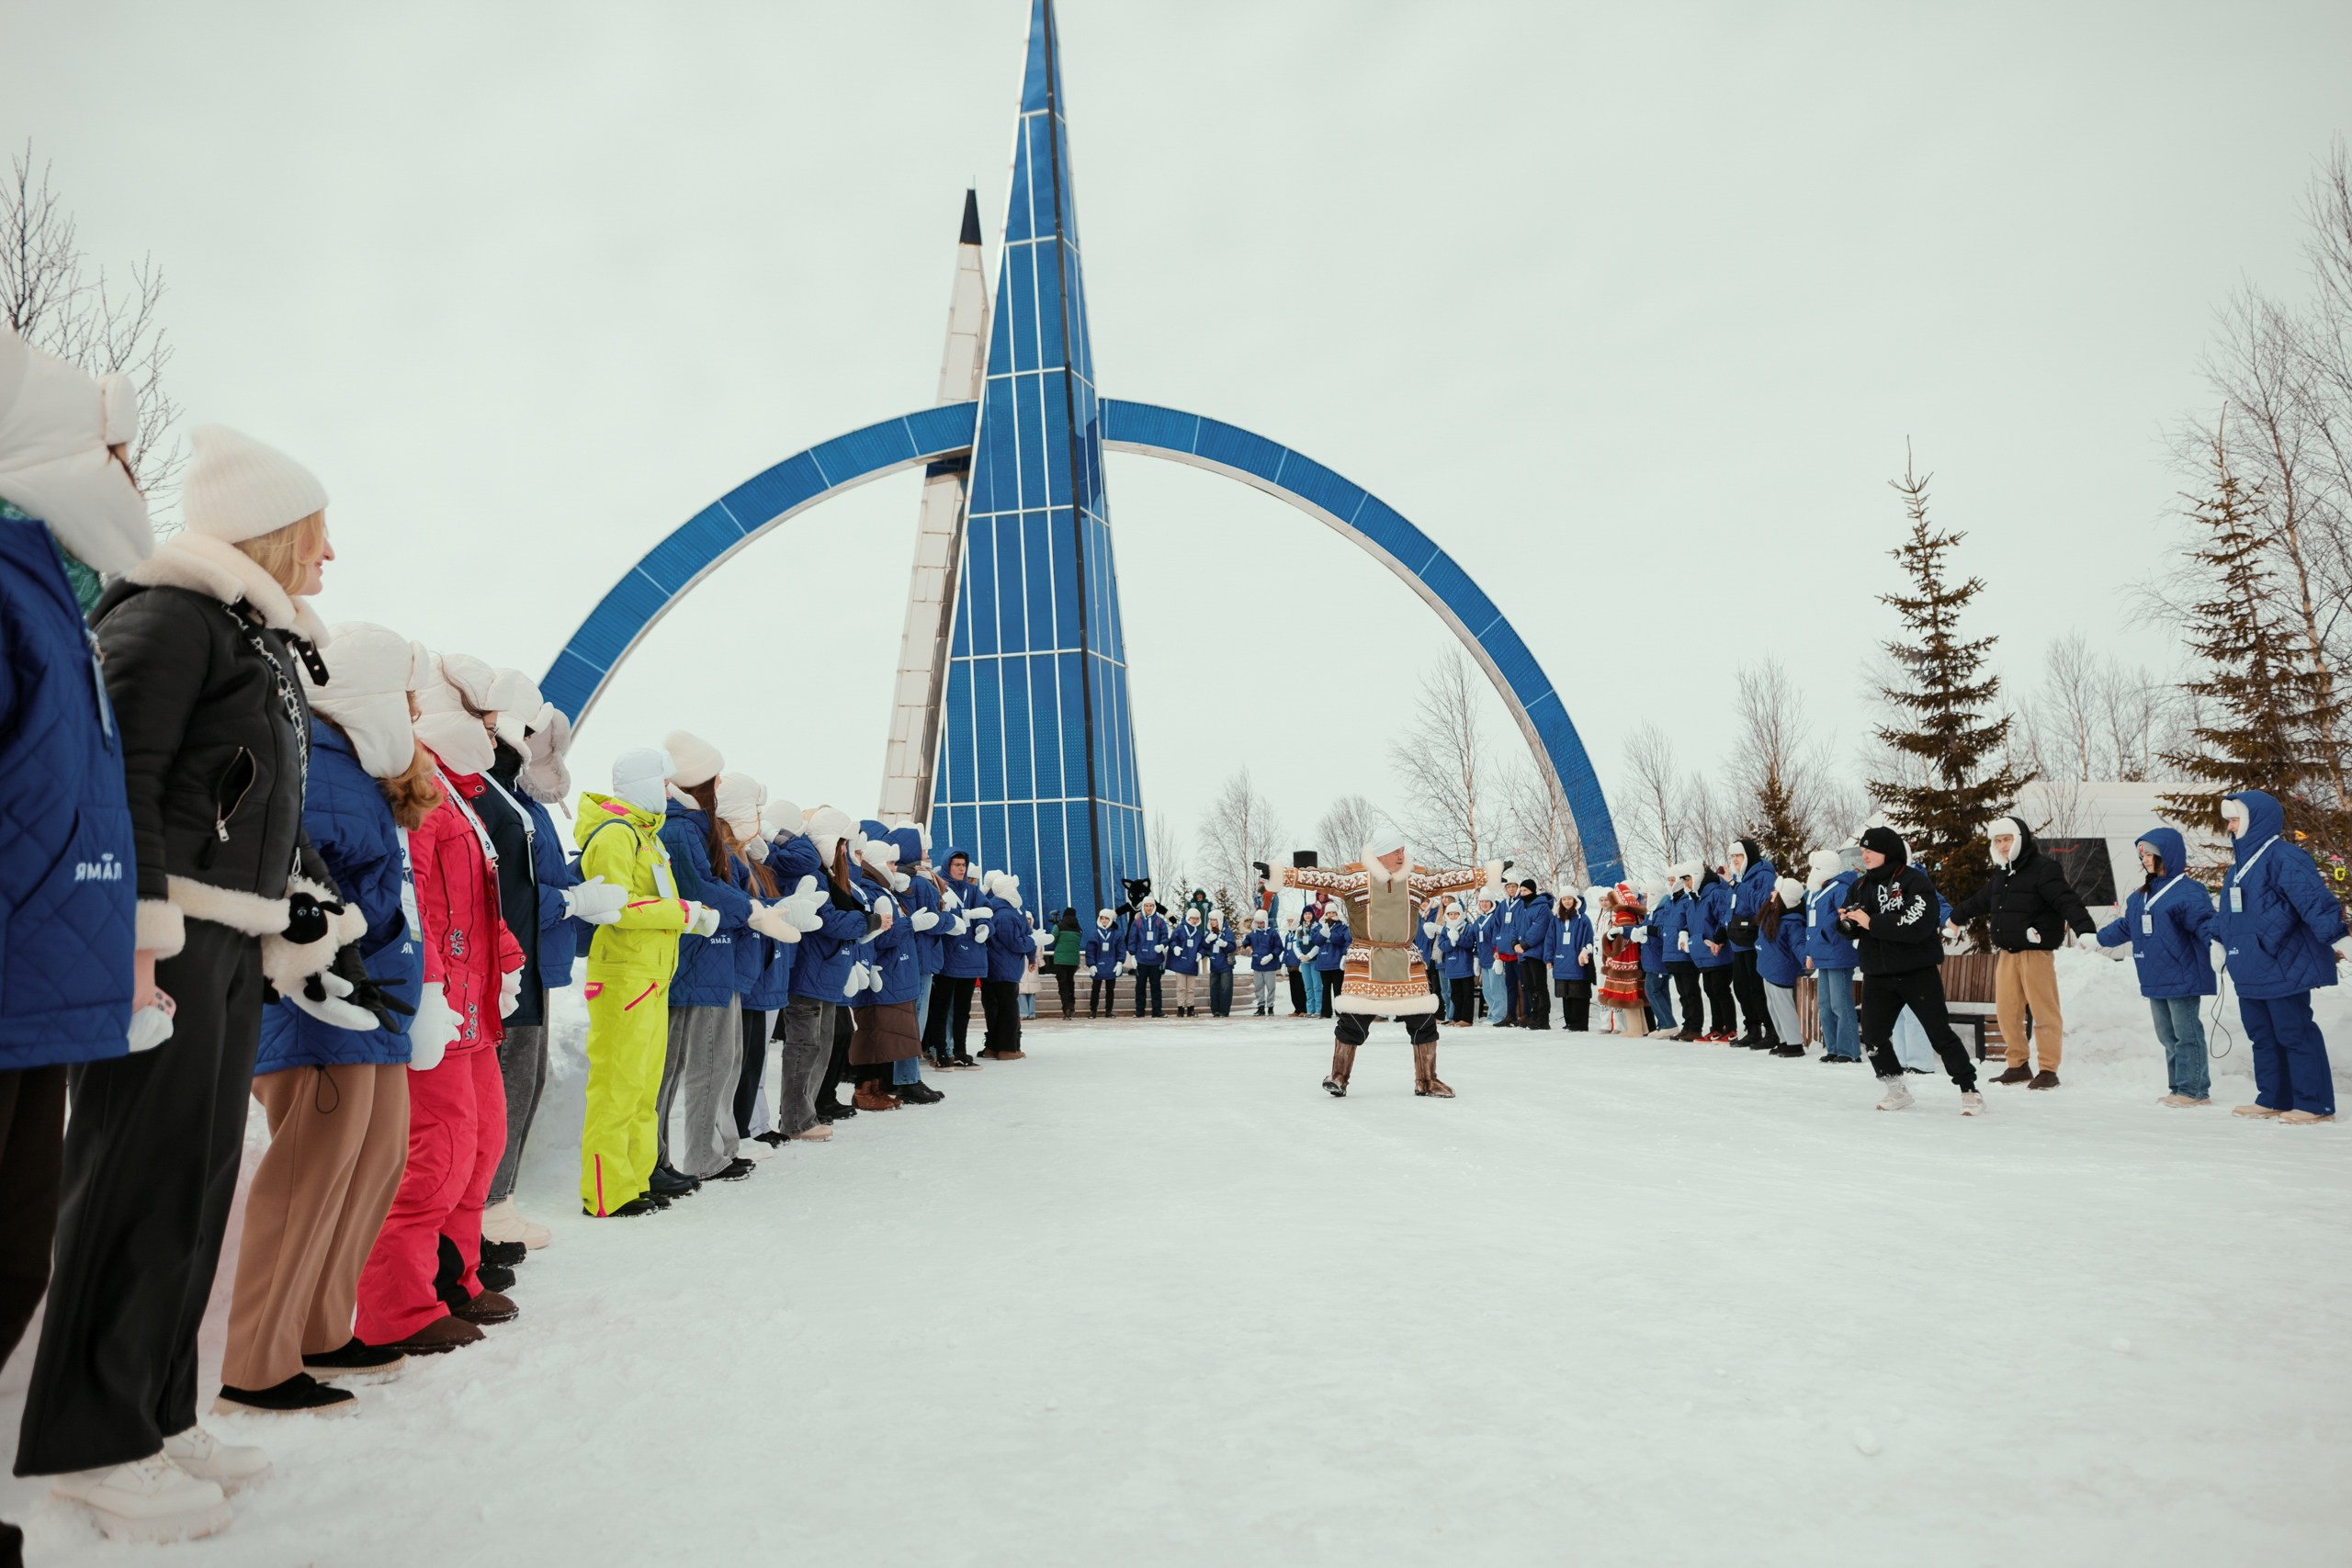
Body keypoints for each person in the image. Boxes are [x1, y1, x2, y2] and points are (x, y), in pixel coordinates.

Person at [19, 426, 371, 1526]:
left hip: (230, 935)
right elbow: (119, 769)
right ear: (274, 530)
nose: (330, 558)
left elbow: (252, 793)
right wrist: (139, 929)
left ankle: (161, 1413)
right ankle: (94, 1435)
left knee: (196, 1184)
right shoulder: (169, 615)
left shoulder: (250, 637)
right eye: (318, 535)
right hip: (166, 939)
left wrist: (296, 893)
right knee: (136, 1180)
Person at [0, 332, 190, 1544]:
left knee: (14, 1263)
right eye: (118, 448)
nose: (135, 472)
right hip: (13, 991)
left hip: (38, 998)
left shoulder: (51, 599)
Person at [218, 626, 445, 1419]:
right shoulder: (317, 766)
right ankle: (256, 1358)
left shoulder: (350, 771)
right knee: (307, 1174)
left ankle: (319, 1324)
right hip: (319, 1006)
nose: (415, 716)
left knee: (371, 1162)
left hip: (370, 1003)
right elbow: (293, 876)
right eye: (406, 699)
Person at [354, 655, 526, 1352]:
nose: (495, 734)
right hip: (441, 1004)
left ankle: (454, 1274)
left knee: (480, 1143)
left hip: (472, 1003)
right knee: (438, 1154)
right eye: (487, 720)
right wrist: (425, 987)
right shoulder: (421, 788)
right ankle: (398, 1304)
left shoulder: (455, 791)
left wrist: (505, 957)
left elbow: (483, 898)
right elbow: (412, 896)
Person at [487, 695, 604, 1246]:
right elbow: (516, 896)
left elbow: (542, 880)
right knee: (507, 1085)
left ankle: (499, 1201)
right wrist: (572, 903)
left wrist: (576, 899)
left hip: (535, 960)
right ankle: (489, 1208)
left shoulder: (526, 805)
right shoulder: (501, 801)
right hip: (512, 963)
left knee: (524, 1082)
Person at [572, 748, 699, 1217]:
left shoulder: (646, 837)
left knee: (644, 1087)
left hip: (649, 973)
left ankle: (637, 1176)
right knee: (617, 1085)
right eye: (663, 783)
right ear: (644, 784)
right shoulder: (615, 835)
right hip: (624, 975)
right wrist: (685, 913)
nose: (668, 792)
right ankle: (607, 1193)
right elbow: (617, 906)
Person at [1263, 842, 1487, 1096]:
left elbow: (1447, 878)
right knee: (1353, 1021)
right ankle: (1338, 1077)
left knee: (1423, 1020)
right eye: (1396, 852)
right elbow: (1321, 877)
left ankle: (1427, 1081)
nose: (1402, 856)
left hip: (1405, 958)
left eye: (1403, 851)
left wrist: (1487, 875)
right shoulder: (1355, 877)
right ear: (1380, 853)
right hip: (1366, 956)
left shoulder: (1416, 878)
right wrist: (1282, 874)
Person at [652, 733, 759, 1189]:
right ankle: (696, 1155)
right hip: (697, 960)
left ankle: (703, 1153)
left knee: (716, 1063)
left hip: (713, 959)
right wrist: (754, 911)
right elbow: (700, 890)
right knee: (701, 1065)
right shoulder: (680, 829)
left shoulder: (693, 826)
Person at [2201, 790, 2343, 1123]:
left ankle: (2314, 1103)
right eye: (2230, 821)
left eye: (2236, 820)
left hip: (2283, 963)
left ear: (2255, 820)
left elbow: (2314, 901)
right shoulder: (2236, 870)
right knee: (2262, 1036)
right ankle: (2273, 1097)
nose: (2231, 827)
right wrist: (2218, 940)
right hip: (2249, 966)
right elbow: (2229, 915)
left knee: (2294, 1032)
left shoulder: (2285, 857)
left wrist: (2338, 936)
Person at [1838, 827, 1983, 1114]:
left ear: (1888, 852)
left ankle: (1969, 1089)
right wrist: (1846, 922)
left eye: (1871, 850)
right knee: (1875, 1037)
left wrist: (1871, 923)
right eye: (1863, 850)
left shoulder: (1915, 881)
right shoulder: (1860, 885)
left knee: (1939, 1033)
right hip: (1877, 974)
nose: (1864, 855)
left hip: (1917, 972)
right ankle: (1896, 1088)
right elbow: (1849, 924)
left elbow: (1917, 925)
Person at [1945, 817, 2097, 1089]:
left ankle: (2048, 1069)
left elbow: (2066, 900)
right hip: (2008, 953)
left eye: (2008, 839)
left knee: (2044, 1011)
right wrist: (1955, 918)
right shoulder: (2003, 873)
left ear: (2021, 839)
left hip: (2035, 953)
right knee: (2007, 1012)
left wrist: (2084, 929)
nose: (2003, 846)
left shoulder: (2043, 869)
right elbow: (1980, 900)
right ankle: (2018, 1064)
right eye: (1998, 841)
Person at [776, 808, 888, 1130]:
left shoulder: (828, 876)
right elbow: (828, 919)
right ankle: (797, 1118)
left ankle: (807, 1112)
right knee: (804, 1049)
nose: (844, 852)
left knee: (819, 1048)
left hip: (825, 973)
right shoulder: (811, 875)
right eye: (841, 844)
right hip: (810, 972)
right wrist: (867, 921)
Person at [2093, 827, 2216, 1107]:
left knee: (2187, 1035)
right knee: (2167, 1036)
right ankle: (2178, 1088)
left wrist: (2217, 944)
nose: (2145, 859)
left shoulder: (2189, 891)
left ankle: (2194, 1090)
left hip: (2183, 974)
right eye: (2142, 855)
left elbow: (2205, 922)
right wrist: (2097, 939)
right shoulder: (2140, 897)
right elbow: (2127, 926)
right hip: (2155, 975)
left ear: (2166, 854)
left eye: (2149, 853)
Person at [848, 825, 924, 1108]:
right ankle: (864, 1090)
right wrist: (911, 924)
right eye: (891, 862)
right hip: (884, 975)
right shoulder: (873, 890)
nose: (895, 867)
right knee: (875, 1035)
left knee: (887, 1037)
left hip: (894, 974)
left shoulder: (884, 890)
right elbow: (883, 934)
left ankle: (876, 1087)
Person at [922, 847, 987, 1068]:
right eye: (956, 865)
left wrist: (985, 927)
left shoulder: (973, 891)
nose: (961, 869)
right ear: (947, 866)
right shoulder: (941, 888)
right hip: (948, 956)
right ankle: (940, 1050)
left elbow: (986, 911)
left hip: (971, 958)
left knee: (963, 1009)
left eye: (963, 865)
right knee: (941, 1007)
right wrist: (962, 916)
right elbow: (938, 914)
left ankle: (960, 1050)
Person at [1804, 849, 1862, 1064]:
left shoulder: (1840, 889)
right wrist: (1810, 951)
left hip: (1838, 952)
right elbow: (1811, 925)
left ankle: (1849, 1051)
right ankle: (1833, 1047)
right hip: (1822, 953)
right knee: (1825, 1004)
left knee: (1840, 1003)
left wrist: (1828, 933)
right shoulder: (1814, 892)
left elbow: (1845, 916)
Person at [1723, 839, 1778, 1045]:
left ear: (1749, 855)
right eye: (1733, 856)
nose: (1735, 860)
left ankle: (1771, 1030)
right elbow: (1730, 907)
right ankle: (1753, 1028)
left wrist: (1736, 885)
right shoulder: (1737, 877)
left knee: (1757, 988)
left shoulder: (1763, 874)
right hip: (1738, 941)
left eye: (1739, 856)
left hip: (1755, 939)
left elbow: (1762, 903)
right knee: (1741, 988)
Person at [978, 872, 1034, 1057]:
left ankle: (993, 1046)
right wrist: (1032, 942)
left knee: (995, 1009)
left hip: (994, 968)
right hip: (1005, 968)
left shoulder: (996, 910)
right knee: (1008, 1009)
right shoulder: (1006, 915)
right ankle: (1008, 1048)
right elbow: (1015, 942)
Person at [1686, 863, 1738, 1042]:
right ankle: (1717, 1027)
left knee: (1720, 988)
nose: (1686, 883)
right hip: (1703, 953)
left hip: (1718, 950)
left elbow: (1724, 917)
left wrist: (1719, 939)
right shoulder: (1695, 898)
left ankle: (1730, 1027)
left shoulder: (1715, 893)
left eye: (1688, 879)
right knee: (1710, 989)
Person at [1758, 877, 1808, 1057]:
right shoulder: (1771, 915)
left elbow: (1799, 943)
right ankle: (1783, 1039)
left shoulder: (1793, 922)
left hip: (1781, 970)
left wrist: (1805, 958)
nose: (1772, 893)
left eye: (1776, 892)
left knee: (1783, 1006)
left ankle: (1794, 1043)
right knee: (1773, 1006)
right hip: (1769, 968)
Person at [1594, 886, 1649, 1036]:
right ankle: (1642, 1027)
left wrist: (1610, 943)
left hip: (1624, 959)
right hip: (1634, 958)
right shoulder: (1635, 913)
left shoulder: (1623, 914)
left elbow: (1622, 940)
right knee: (1634, 992)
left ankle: (1634, 1029)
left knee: (1627, 993)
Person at [1657, 866, 1701, 1040]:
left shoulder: (1687, 898)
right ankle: (1687, 1025)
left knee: (1691, 992)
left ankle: (1695, 1027)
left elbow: (1688, 922)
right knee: (1683, 994)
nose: (1671, 883)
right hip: (1671, 953)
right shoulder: (1669, 901)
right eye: (1669, 880)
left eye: (1673, 879)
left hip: (1684, 953)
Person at [1510, 879, 1555, 1030]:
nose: (1522, 894)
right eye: (1521, 891)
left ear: (1532, 891)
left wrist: (1525, 944)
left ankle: (1543, 1018)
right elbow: (1514, 927)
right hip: (1522, 953)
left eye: (1525, 891)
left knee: (1539, 985)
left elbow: (1539, 928)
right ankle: (1534, 1015)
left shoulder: (1542, 907)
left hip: (1536, 952)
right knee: (1528, 985)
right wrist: (1514, 943)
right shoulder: (1520, 908)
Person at [1634, 881, 1676, 1035]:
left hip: (1657, 959)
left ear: (1654, 896)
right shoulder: (1652, 912)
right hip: (1652, 960)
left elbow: (1660, 934)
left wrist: (1646, 938)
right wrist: (1625, 931)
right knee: (1661, 991)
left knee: (1652, 990)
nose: (1644, 899)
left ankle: (1668, 1023)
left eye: (1646, 896)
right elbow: (1642, 928)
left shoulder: (1662, 912)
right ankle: (1664, 1025)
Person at [1551, 890, 1593, 1032]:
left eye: (1569, 899)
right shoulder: (1556, 919)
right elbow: (1550, 939)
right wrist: (1548, 958)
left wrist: (1584, 952)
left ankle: (1579, 1024)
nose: (1567, 902)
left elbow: (1588, 938)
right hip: (1561, 960)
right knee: (1565, 992)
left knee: (1578, 992)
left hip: (1577, 960)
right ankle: (1569, 1022)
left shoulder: (1583, 919)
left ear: (1575, 900)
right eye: (1564, 899)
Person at [1436, 900, 1478, 1027]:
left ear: (1460, 914)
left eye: (1456, 914)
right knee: (1455, 994)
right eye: (1451, 914)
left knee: (1467, 994)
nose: (1453, 916)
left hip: (1465, 965)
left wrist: (1458, 938)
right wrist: (1451, 943)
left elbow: (1470, 943)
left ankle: (1466, 1018)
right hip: (1451, 966)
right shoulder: (1445, 929)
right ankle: (1456, 1017)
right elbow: (1442, 945)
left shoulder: (1467, 928)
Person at [1127, 897, 1170, 1019]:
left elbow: (1165, 935)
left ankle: (1157, 1011)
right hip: (1141, 959)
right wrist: (1133, 955)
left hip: (1156, 960)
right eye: (1147, 906)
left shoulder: (1160, 921)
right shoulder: (1138, 921)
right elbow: (1132, 939)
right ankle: (1139, 1011)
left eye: (1151, 905)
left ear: (1154, 907)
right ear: (1143, 907)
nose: (1149, 908)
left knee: (1156, 986)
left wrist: (1162, 945)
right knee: (1140, 986)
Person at [1474, 892, 1508, 1024]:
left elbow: (1498, 937)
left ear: (1492, 903)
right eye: (1482, 901)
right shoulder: (1479, 920)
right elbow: (1474, 939)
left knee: (1497, 989)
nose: (1484, 904)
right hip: (1484, 959)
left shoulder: (1495, 918)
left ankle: (1499, 1016)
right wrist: (1476, 957)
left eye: (1487, 901)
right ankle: (1492, 1015)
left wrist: (1499, 955)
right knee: (1487, 990)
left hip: (1494, 958)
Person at [1166, 906, 1206, 1017]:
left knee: (1191, 988)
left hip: (1192, 964)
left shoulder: (1198, 934)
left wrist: (1200, 954)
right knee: (1181, 988)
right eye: (1193, 918)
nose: (1195, 920)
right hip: (1180, 963)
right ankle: (1180, 1008)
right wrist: (1175, 948)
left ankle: (1190, 1008)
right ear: (1188, 917)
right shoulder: (1180, 929)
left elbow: (1202, 947)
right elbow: (1172, 941)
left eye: (1197, 918)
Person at [1083, 908, 1124, 1015]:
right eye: (1102, 918)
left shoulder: (1117, 934)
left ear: (1110, 920)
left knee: (1110, 990)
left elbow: (1121, 950)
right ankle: (1093, 1011)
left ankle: (1109, 1011)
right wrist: (1091, 964)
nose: (1104, 921)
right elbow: (1090, 951)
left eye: (1106, 919)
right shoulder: (1095, 934)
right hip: (1098, 966)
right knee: (1095, 989)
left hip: (1111, 966)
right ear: (1099, 919)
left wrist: (1119, 962)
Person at [1245, 910, 1284, 1015]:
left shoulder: (1273, 932)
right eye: (1258, 922)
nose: (1260, 924)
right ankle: (1261, 1006)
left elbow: (1279, 947)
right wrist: (1247, 946)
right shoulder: (1253, 933)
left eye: (1261, 922)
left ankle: (1270, 1007)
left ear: (1266, 921)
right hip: (1257, 964)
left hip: (1270, 964)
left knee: (1271, 987)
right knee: (1258, 986)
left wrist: (1272, 955)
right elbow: (1246, 941)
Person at [1049, 908, 1083, 1020]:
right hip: (1073, 960)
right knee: (1070, 982)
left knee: (1063, 985)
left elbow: (1052, 940)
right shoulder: (1079, 929)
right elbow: (1078, 942)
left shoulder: (1058, 927)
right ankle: (1072, 1005)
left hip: (1060, 960)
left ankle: (1066, 1008)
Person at [1204, 910, 1238, 1017]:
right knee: (1214, 989)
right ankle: (1215, 1011)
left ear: (1219, 920)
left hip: (1225, 966)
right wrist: (1207, 941)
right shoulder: (1209, 932)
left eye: (1214, 920)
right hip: (1214, 965)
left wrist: (1224, 944)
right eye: (1211, 920)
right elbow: (1204, 948)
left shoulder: (1227, 932)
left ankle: (1224, 1011)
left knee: (1225, 989)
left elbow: (1232, 947)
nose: (1213, 922)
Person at [1282, 913, 1307, 1016]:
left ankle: (1303, 1009)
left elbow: (1303, 947)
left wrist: (1302, 961)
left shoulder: (1300, 932)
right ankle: (1297, 1009)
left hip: (1299, 965)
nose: (1289, 923)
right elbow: (1286, 950)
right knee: (1294, 989)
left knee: (1301, 988)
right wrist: (1283, 963)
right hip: (1290, 966)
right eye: (1288, 921)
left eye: (1291, 920)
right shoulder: (1288, 935)